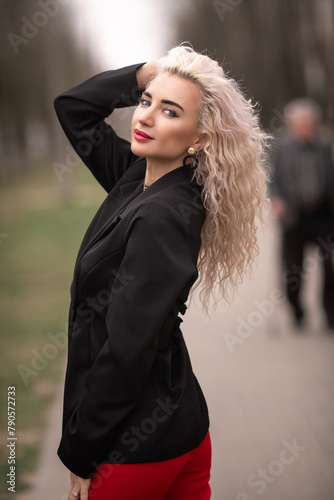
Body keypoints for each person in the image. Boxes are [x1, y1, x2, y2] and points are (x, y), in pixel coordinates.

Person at [54, 45, 269, 500]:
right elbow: (73, 109)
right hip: (176, 428)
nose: (145, 117)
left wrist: (80, 449)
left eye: (169, 111)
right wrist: (146, 73)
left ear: (200, 138)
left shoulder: (162, 215)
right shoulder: (139, 176)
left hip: (134, 446)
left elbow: (127, 351)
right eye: (146, 101)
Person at [270, 99, 334, 330]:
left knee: (330, 265)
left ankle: (330, 315)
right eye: (300, 124)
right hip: (294, 217)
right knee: (293, 271)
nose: (305, 129)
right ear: (291, 126)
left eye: (309, 124)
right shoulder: (281, 148)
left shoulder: (325, 146)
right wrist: (276, 200)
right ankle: (297, 311)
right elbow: (273, 180)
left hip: (323, 216)